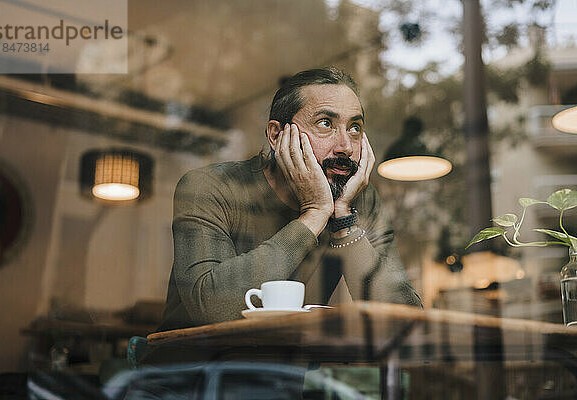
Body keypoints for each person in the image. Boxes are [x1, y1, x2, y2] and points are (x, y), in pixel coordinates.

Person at [159, 67, 421, 330]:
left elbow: (406, 324)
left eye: (354, 128)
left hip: (284, 370)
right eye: (325, 123)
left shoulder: (358, 200)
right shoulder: (209, 187)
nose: (346, 147)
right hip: (193, 369)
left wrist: (343, 221)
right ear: (276, 136)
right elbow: (212, 308)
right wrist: (315, 213)